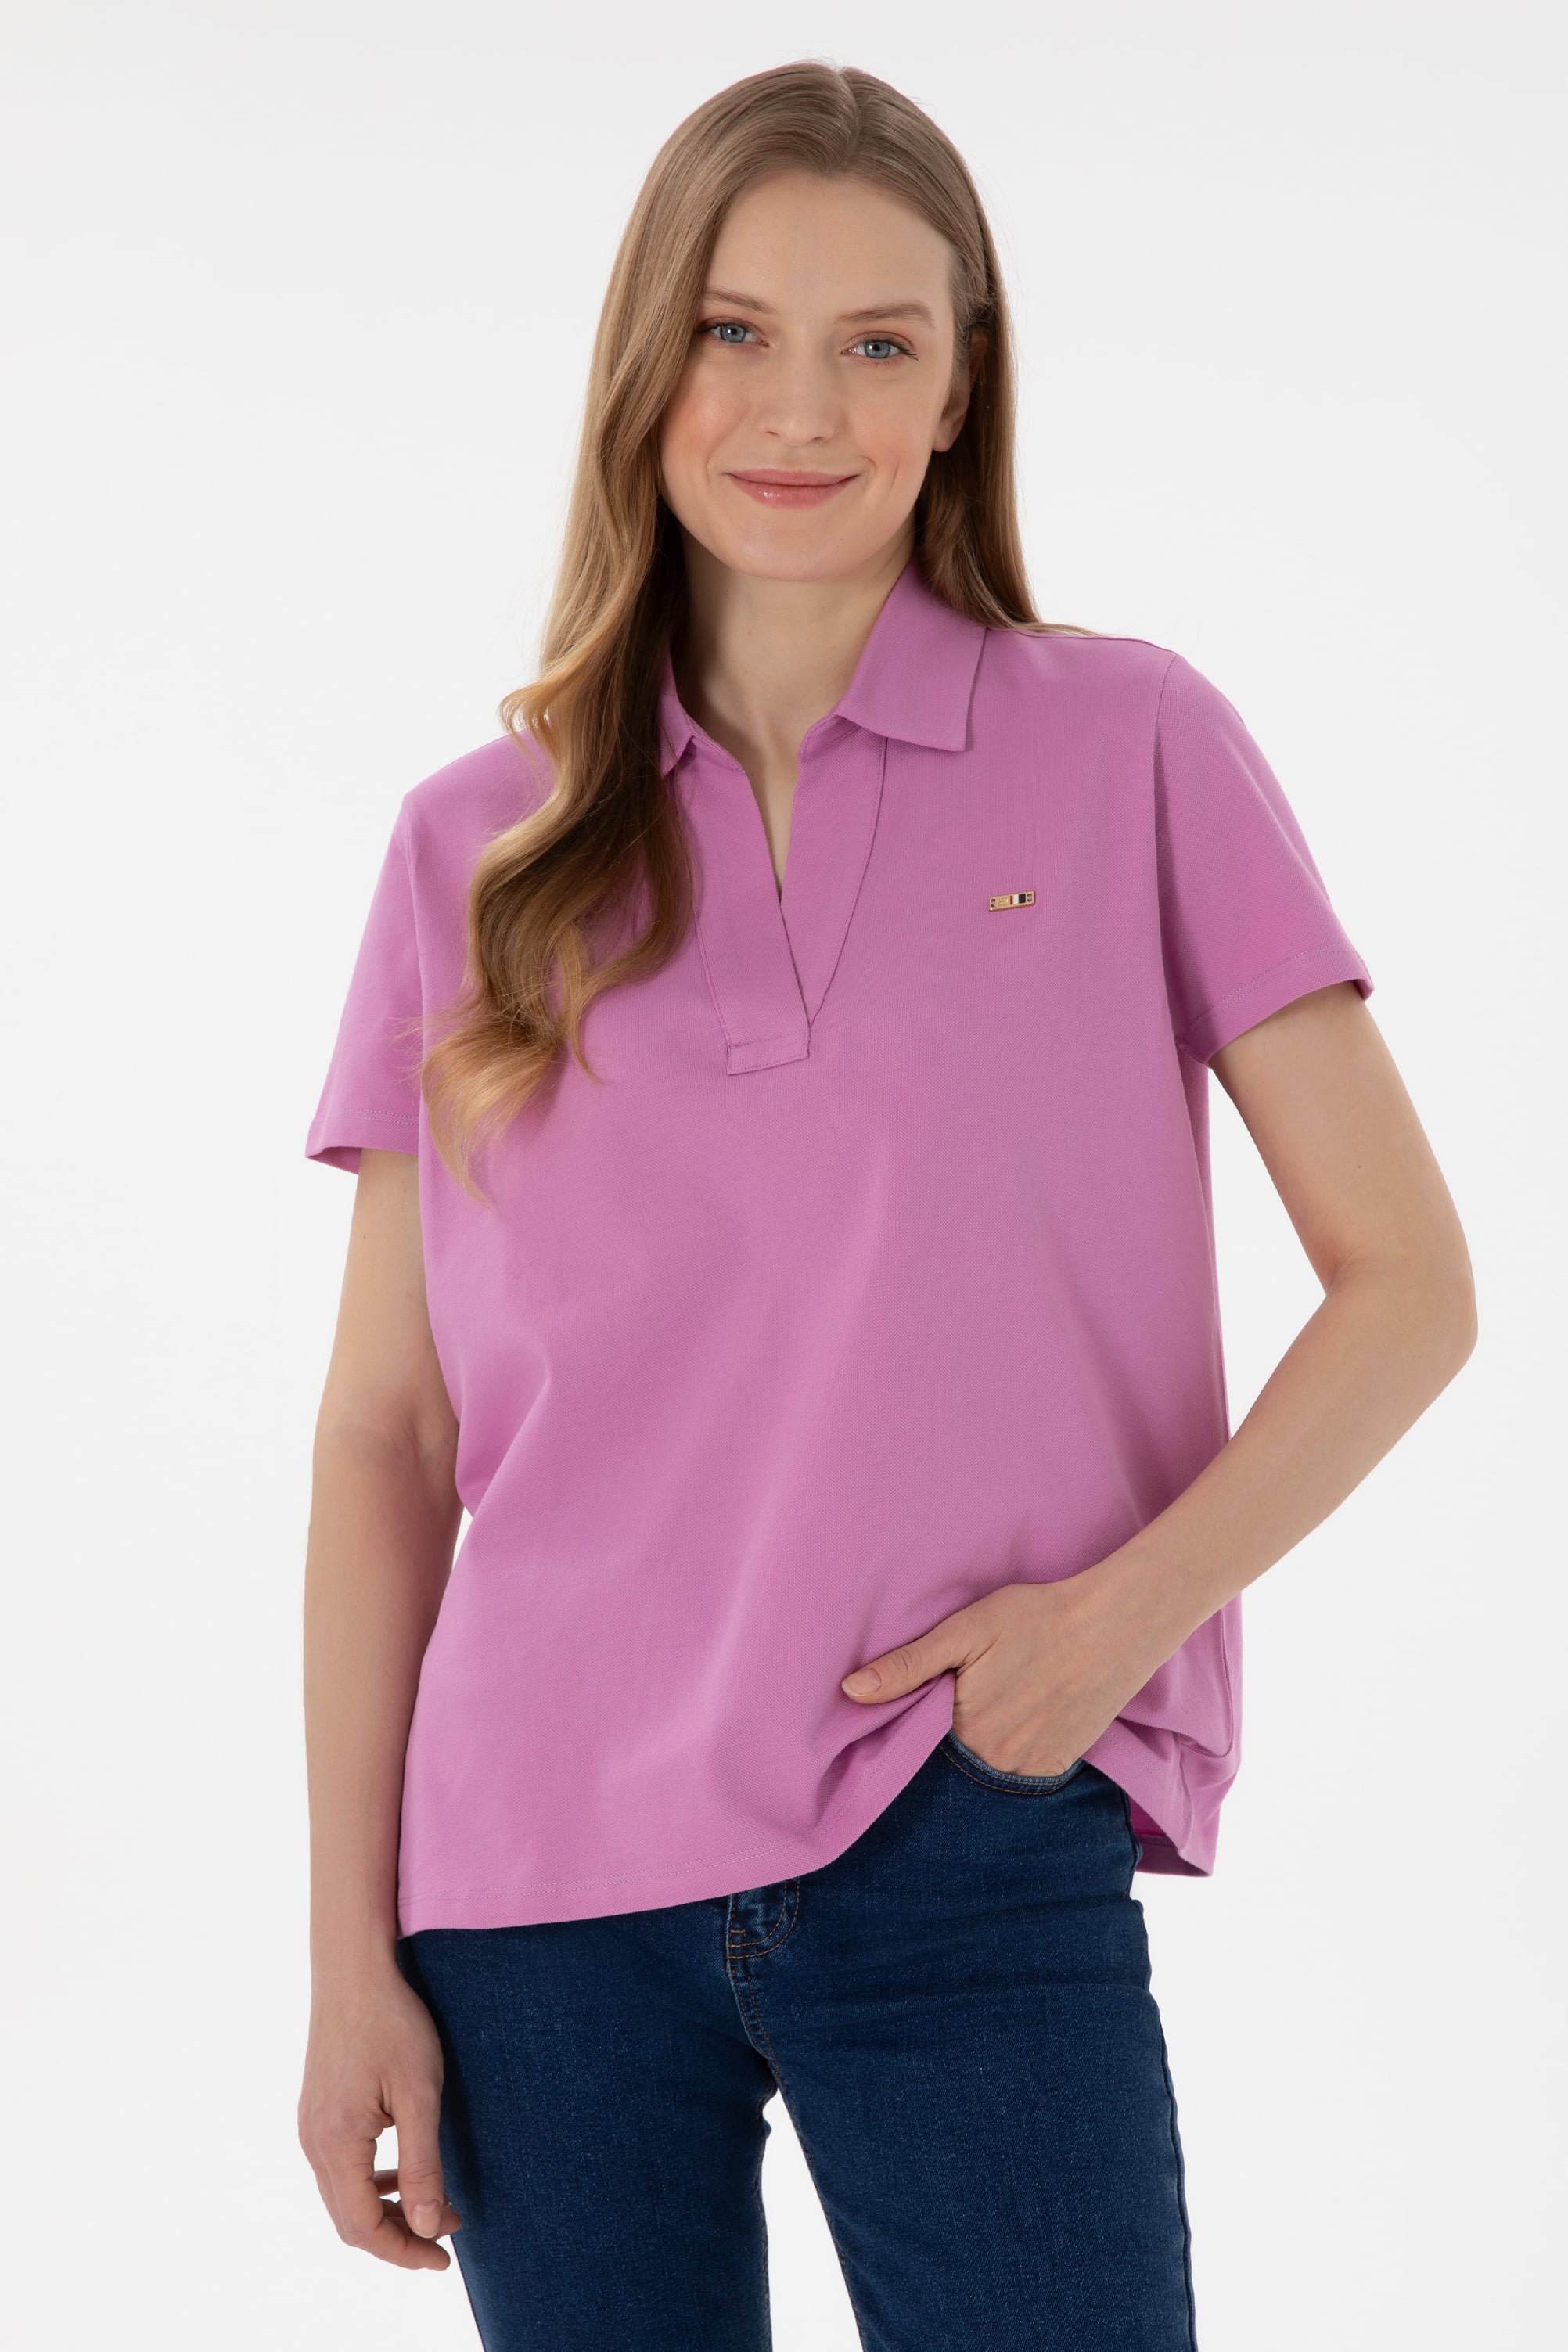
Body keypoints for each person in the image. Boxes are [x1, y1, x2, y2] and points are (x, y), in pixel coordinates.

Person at [295, 60, 1476, 2352]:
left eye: (876, 342)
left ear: (959, 389)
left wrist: (1110, 1629)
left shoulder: (1131, 744)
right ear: (644, 367)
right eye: (734, 332)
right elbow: (384, 1433)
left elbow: (1408, 1282)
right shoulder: (473, 846)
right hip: (531, 1889)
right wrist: (351, 1955)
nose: (800, 408)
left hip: (960, 1822)